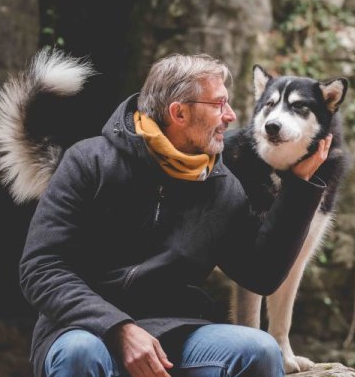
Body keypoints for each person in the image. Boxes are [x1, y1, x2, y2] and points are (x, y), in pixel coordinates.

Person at [19, 53, 333, 377]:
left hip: (175, 333)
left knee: (259, 351)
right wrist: (118, 327)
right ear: (179, 112)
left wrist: (298, 187)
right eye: (219, 104)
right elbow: (40, 267)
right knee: (79, 353)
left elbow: (262, 274)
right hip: (85, 329)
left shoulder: (221, 186)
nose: (232, 116)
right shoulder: (89, 161)